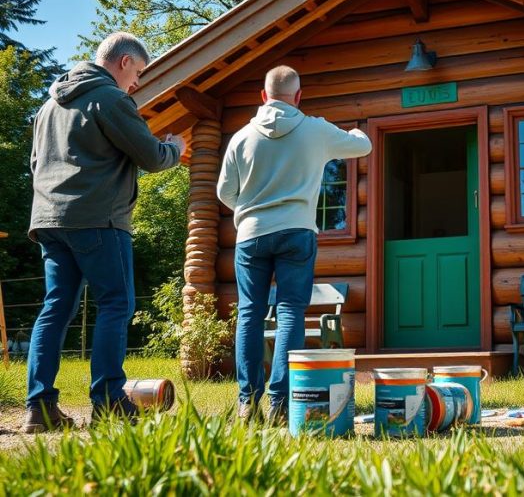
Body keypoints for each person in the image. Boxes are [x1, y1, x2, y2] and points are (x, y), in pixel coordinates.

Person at [25, 32, 185, 432]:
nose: (137, 84)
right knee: (115, 304)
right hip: (99, 220)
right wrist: (175, 148)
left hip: (48, 221)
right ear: (124, 61)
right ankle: (109, 400)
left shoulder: (48, 106)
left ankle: (39, 407)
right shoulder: (110, 99)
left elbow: (34, 165)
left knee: (55, 309)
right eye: (139, 73)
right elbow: (149, 156)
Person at [217, 65, 371, 425]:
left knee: (250, 313)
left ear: (263, 95)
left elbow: (225, 192)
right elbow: (362, 146)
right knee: (290, 312)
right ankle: (279, 402)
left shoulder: (240, 137)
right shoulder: (315, 129)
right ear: (298, 97)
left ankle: (246, 402)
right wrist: (353, 130)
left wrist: (251, 210)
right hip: (297, 232)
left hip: (251, 235)